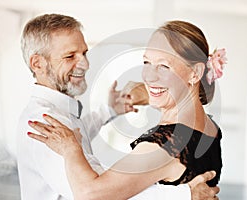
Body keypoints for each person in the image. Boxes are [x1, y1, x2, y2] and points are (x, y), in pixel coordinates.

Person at [18, 14, 219, 200]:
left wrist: (109, 112)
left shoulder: (167, 142)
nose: (85, 64)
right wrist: (182, 195)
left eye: (84, 53)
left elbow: (80, 138)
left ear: (195, 73)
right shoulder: (43, 125)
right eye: (70, 56)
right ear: (38, 64)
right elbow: (92, 192)